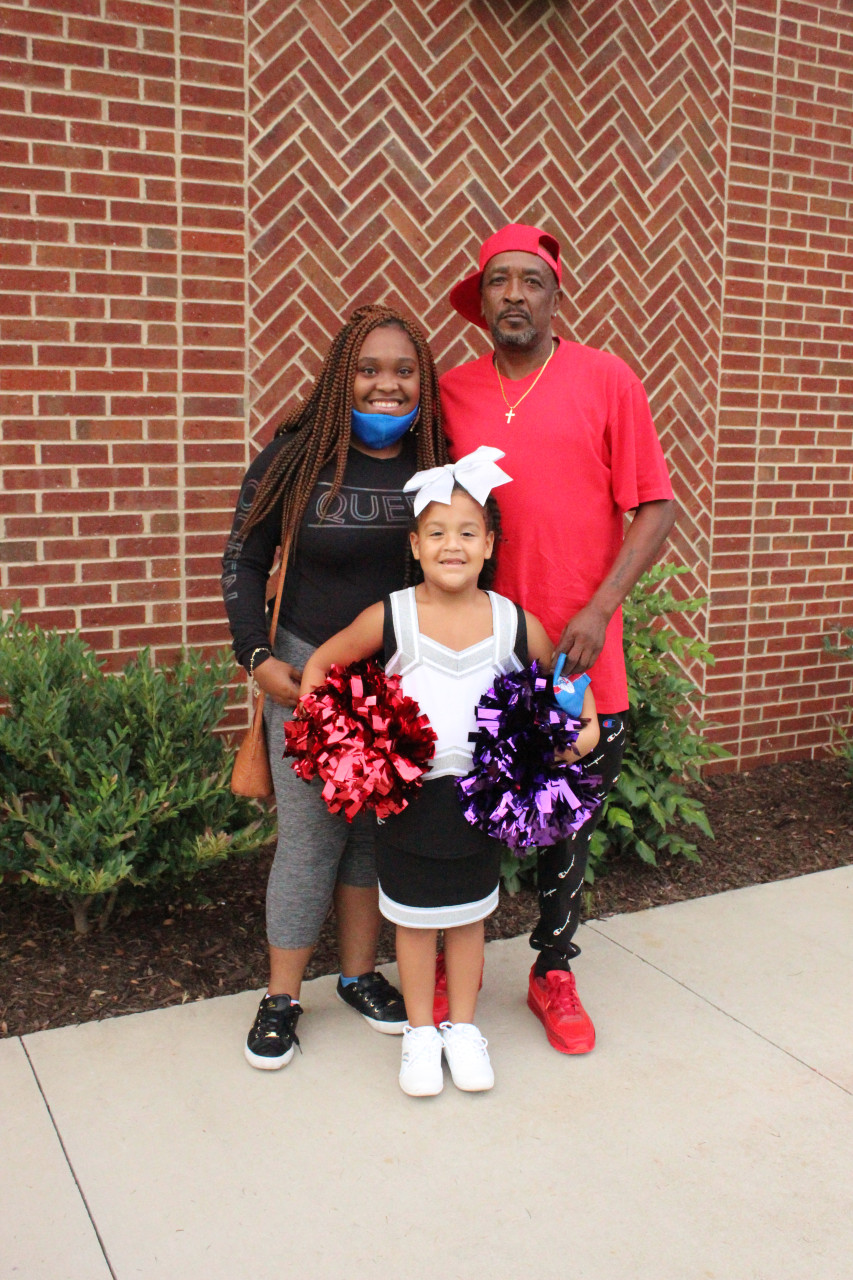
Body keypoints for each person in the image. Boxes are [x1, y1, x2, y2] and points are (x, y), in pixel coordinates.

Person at [440, 223, 676, 1055]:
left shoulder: (606, 380)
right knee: (458, 809)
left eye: (529, 281)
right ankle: (446, 961)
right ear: (481, 299)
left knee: (562, 822)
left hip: (577, 656)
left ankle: (551, 970)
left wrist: (600, 607)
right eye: (498, 280)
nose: (514, 295)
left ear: (552, 294)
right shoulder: (450, 392)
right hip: (475, 651)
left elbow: (654, 505)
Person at [299, 448, 599, 1096]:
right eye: (436, 532)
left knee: (468, 918)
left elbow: (564, 680)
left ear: (489, 544)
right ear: (414, 544)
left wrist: (582, 729)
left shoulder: (513, 622)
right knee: (411, 921)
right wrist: (343, 743)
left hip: (479, 802)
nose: (451, 544)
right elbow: (321, 665)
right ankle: (419, 1034)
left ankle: (462, 1030)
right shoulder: (392, 615)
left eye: (467, 532)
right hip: (408, 803)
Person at [221, 304, 448, 1070]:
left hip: (394, 682)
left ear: (423, 381)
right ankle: (281, 996)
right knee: (311, 842)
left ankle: (357, 976)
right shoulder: (294, 456)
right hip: (305, 674)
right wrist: (256, 656)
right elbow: (244, 561)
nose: (387, 385)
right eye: (369, 369)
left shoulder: (438, 466)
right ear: (340, 374)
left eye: (403, 370)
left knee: (369, 843)